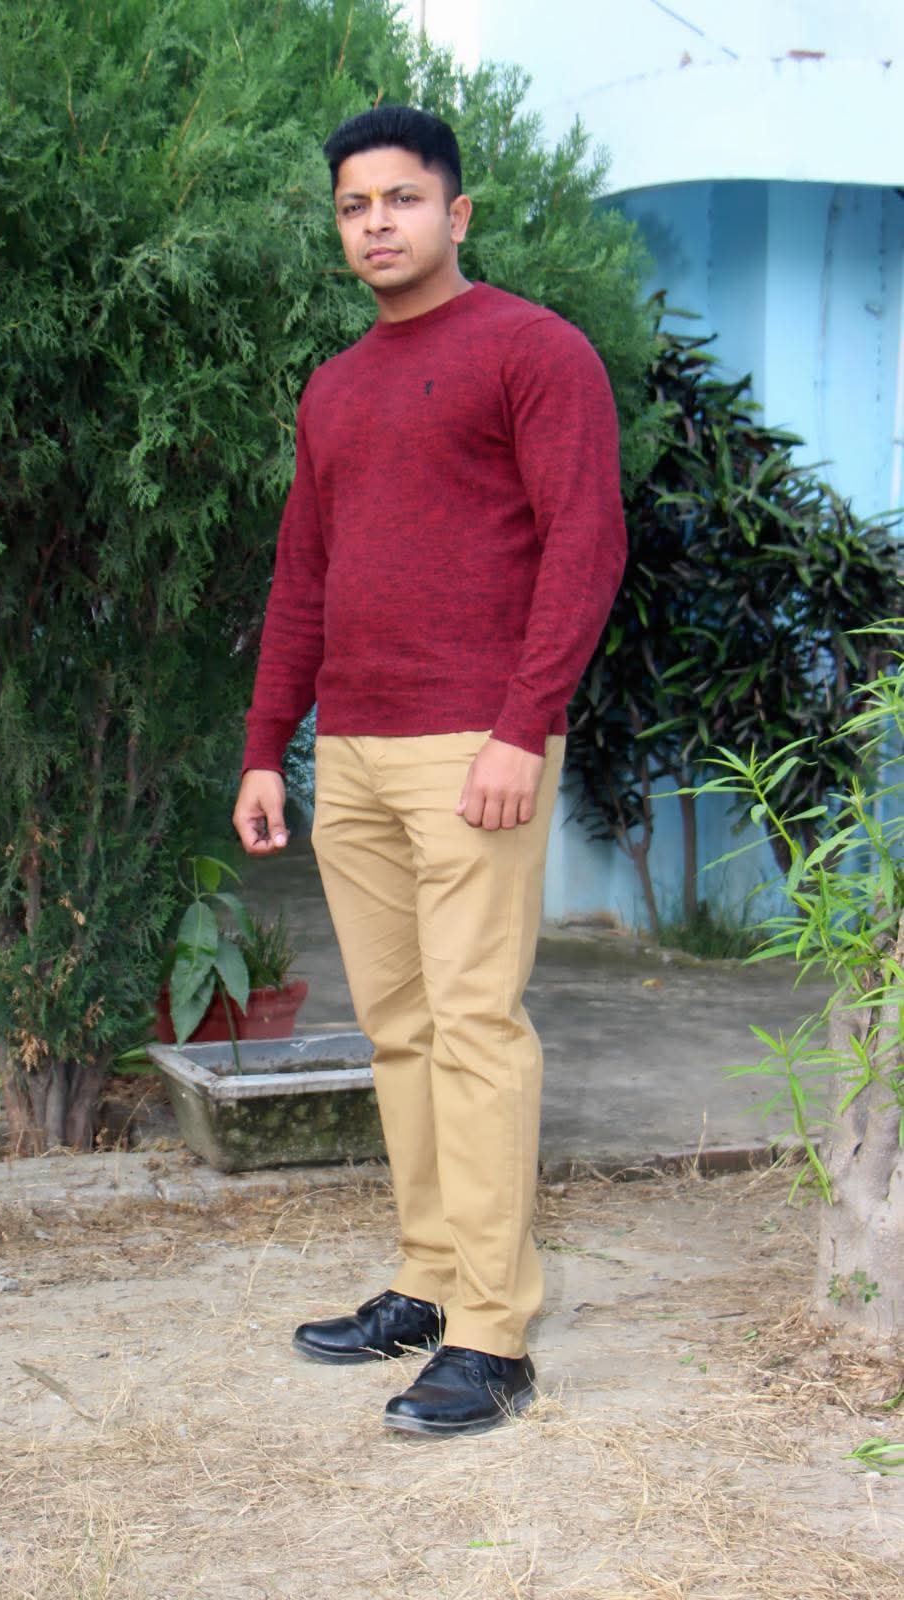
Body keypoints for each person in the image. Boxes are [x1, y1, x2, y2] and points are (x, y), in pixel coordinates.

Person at [232, 105, 626, 1437]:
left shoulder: (533, 349)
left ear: (455, 214)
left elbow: (585, 543)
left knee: (474, 1028)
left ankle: (494, 1334)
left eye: (401, 199)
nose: (377, 224)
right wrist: (268, 745)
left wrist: (523, 725)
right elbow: (303, 573)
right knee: (398, 1029)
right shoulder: (335, 387)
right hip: (352, 750)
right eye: (354, 206)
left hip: (475, 747)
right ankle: (428, 1279)